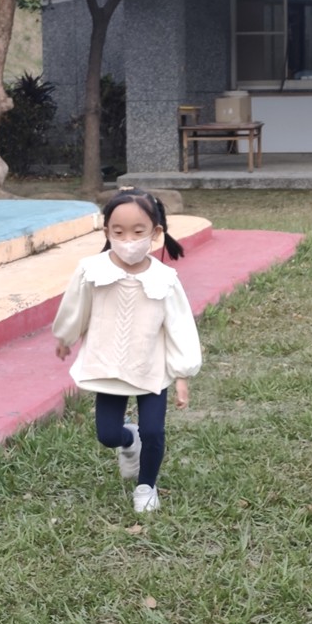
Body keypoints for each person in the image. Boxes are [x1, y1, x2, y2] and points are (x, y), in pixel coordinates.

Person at [52, 187, 202, 513]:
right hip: (107, 365)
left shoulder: (165, 279)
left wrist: (182, 374)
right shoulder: (92, 271)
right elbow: (76, 308)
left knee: (154, 431)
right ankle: (128, 440)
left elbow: (179, 326)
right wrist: (65, 337)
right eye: (118, 232)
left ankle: (146, 486)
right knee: (107, 434)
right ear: (106, 231)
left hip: (151, 368)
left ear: (156, 232)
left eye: (138, 231)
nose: (128, 240)